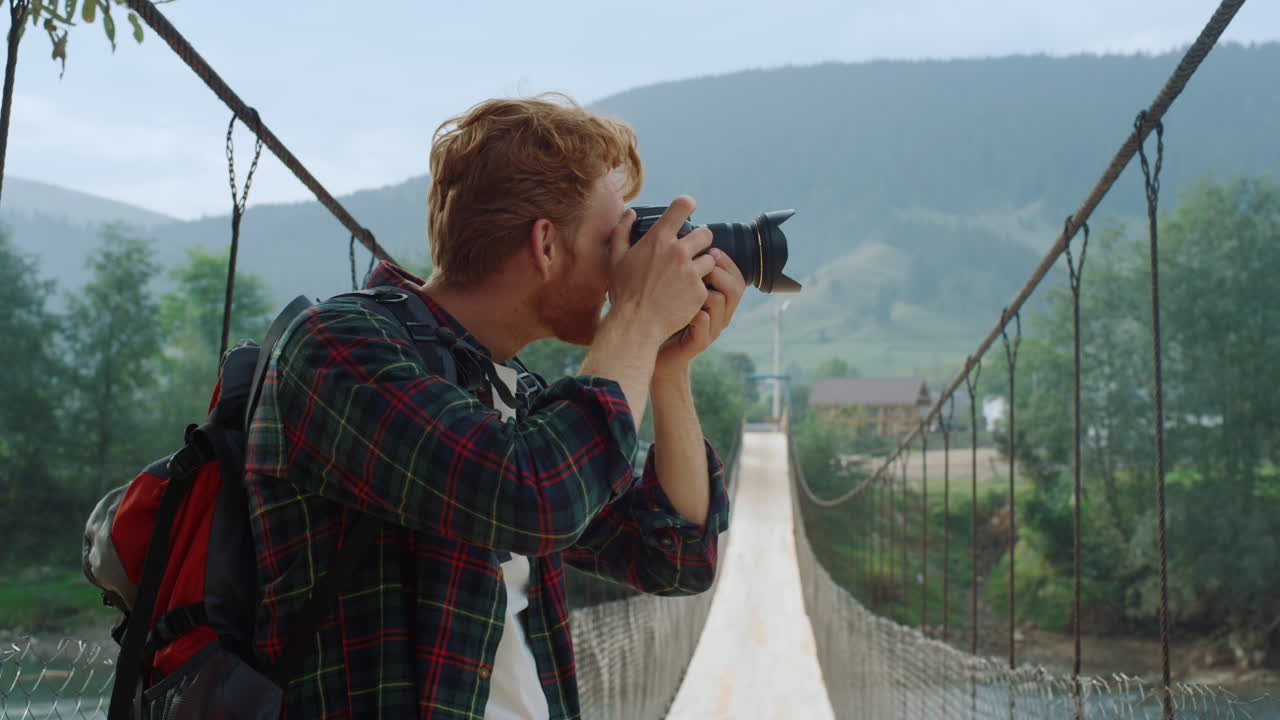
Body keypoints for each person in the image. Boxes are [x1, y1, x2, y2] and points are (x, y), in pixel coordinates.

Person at [243, 93, 745, 719]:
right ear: (546, 245)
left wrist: (666, 366)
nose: (627, 266)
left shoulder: (512, 393)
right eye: (613, 238)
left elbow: (673, 557)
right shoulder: (337, 350)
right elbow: (536, 496)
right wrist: (638, 321)